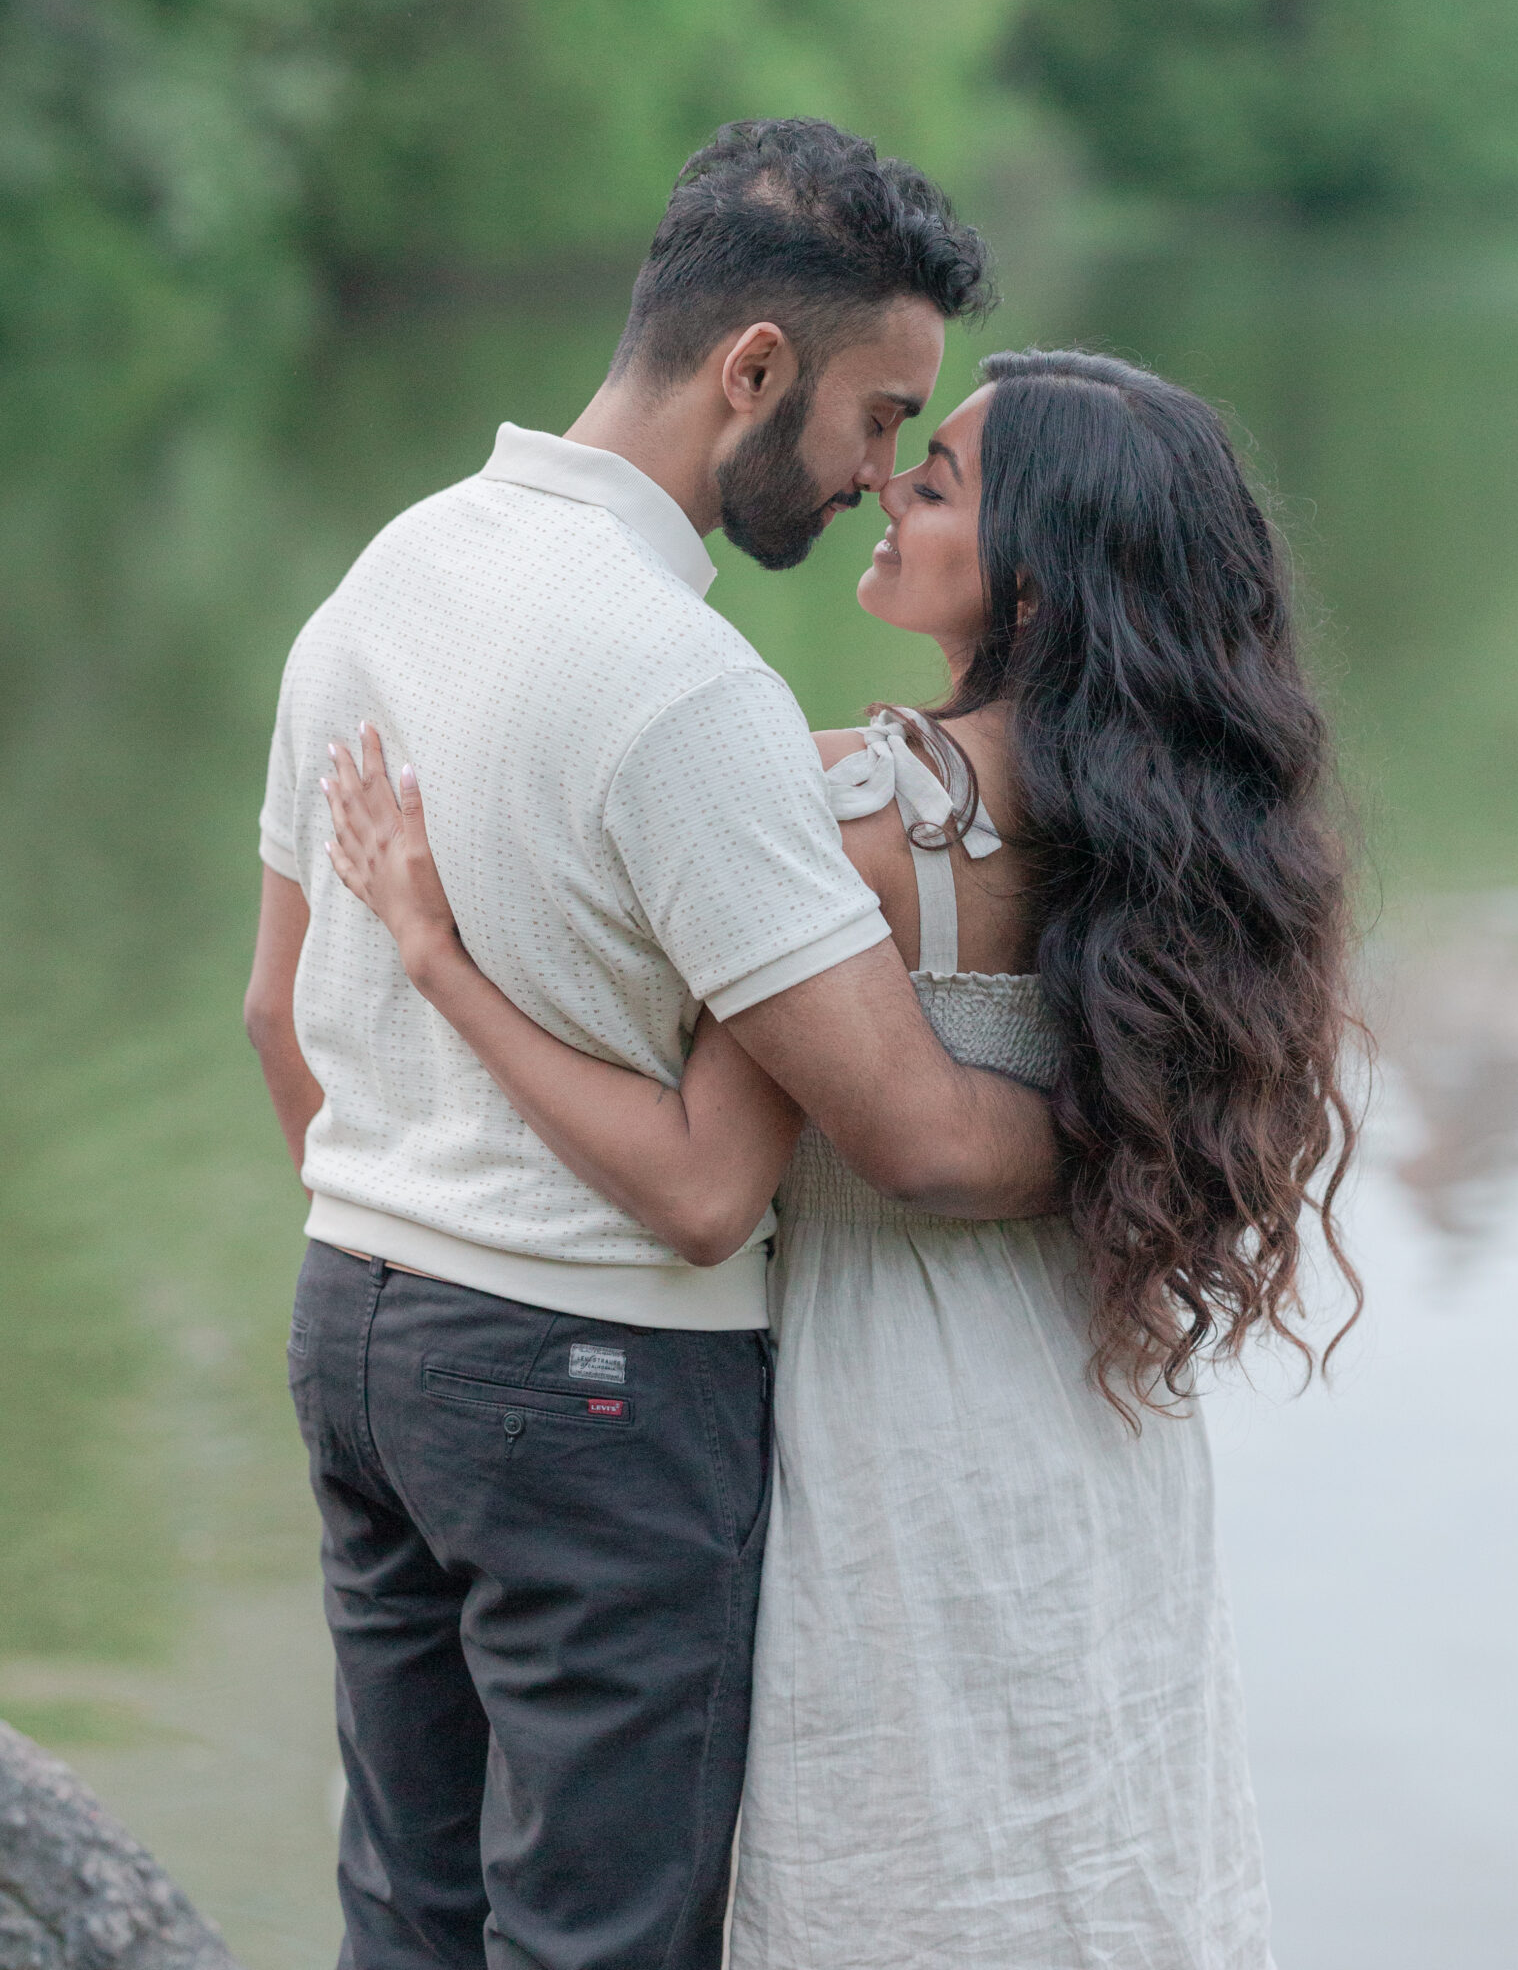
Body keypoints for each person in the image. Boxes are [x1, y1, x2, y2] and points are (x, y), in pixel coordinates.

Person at [321, 347, 1361, 1969]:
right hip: (1094, 1410)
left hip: (888, 1418)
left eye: (933, 481)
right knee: (1088, 1832)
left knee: (898, 1860)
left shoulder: (840, 810)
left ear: (1035, 584)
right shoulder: (1190, 837)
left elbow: (693, 1180)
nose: (884, 481)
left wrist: (437, 956)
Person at [241, 118, 1062, 1970]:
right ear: (751, 371)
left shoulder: (386, 570)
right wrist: (1173, 1127)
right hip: (593, 1389)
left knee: (409, 1912)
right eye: (876, 418)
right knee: (600, 1940)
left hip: (357, 1322)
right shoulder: (692, 697)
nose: (875, 482)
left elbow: (272, 1011)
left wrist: (407, 1206)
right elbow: (908, 1143)